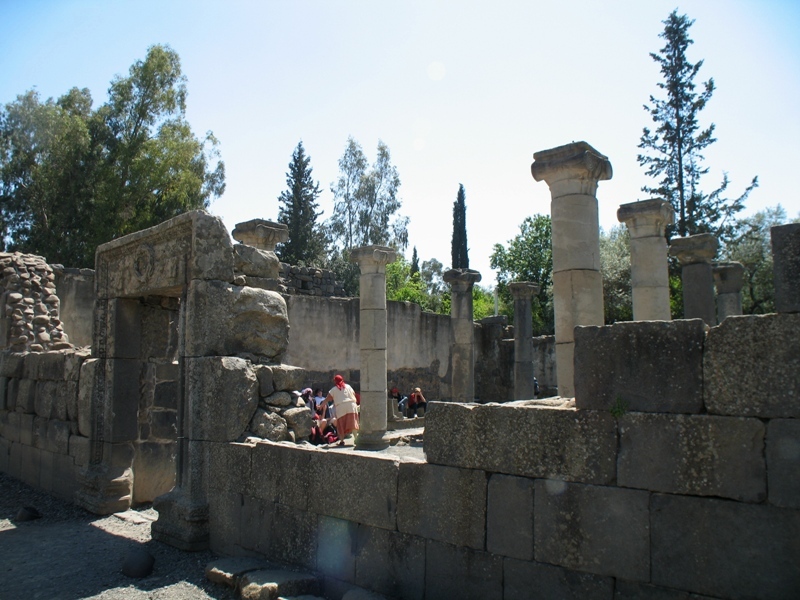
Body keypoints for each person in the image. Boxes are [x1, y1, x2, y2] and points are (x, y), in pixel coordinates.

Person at [326, 374, 359, 446]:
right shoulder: (348, 386)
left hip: (341, 407)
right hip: (351, 405)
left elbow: (327, 399)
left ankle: (341, 441)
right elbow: (354, 394)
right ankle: (356, 439)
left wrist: (321, 405)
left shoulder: (334, 389)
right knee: (353, 423)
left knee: (341, 424)